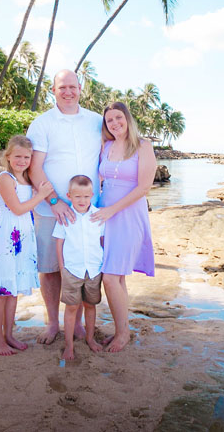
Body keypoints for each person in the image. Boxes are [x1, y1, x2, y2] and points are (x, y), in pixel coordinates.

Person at [27, 70, 103, 344]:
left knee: (81, 267)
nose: (68, 92)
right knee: (50, 269)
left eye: (73, 87)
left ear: (80, 89)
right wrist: (55, 201)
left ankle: (79, 323)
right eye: (62, 88)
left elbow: (119, 146)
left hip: (88, 212)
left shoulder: (96, 121)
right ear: (53, 90)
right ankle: (51, 323)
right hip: (51, 210)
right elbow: (34, 169)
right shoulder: (42, 124)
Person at [90, 102, 156, 352]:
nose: (115, 123)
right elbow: (98, 179)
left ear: (128, 118)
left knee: (109, 277)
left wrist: (111, 211)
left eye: (119, 117)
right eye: (109, 121)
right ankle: (122, 327)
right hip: (105, 215)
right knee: (116, 277)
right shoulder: (105, 146)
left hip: (128, 216)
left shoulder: (143, 146)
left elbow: (144, 187)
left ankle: (123, 333)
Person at [0, 135, 52, 355]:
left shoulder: (27, 179)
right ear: (8, 156)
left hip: (24, 239)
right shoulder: (5, 178)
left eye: (27, 157)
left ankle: (9, 335)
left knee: (12, 290)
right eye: (18, 156)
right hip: (7, 239)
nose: (22, 160)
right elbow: (18, 209)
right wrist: (42, 195)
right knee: (0, 290)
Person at [52, 175, 105, 361]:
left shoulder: (98, 216)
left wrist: (104, 263)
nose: (82, 201)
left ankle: (90, 339)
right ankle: (69, 346)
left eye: (86, 197)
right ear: (69, 196)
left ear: (92, 195)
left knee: (90, 305)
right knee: (71, 307)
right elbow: (59, 243)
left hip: (94, 269)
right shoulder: (65, 217)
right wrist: (61, 267)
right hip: (72, 270)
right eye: (77, 197)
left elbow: (102, 241)